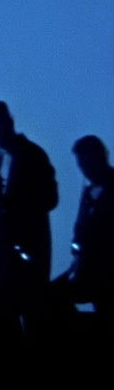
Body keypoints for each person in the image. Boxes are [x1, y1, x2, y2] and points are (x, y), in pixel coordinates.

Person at [0, 101, 57, 335]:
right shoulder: (0, 159)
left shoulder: (33, 155)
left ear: (7, 123)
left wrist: (14, 207)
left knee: (32, 312)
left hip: (27, 246)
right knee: (5, 311)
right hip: (3, 246)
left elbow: (50, 198)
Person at [51, 135, 112, 324]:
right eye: (81, 165)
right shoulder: (88, 192)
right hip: (86, 266)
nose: (85, 169)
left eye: (87, 162)